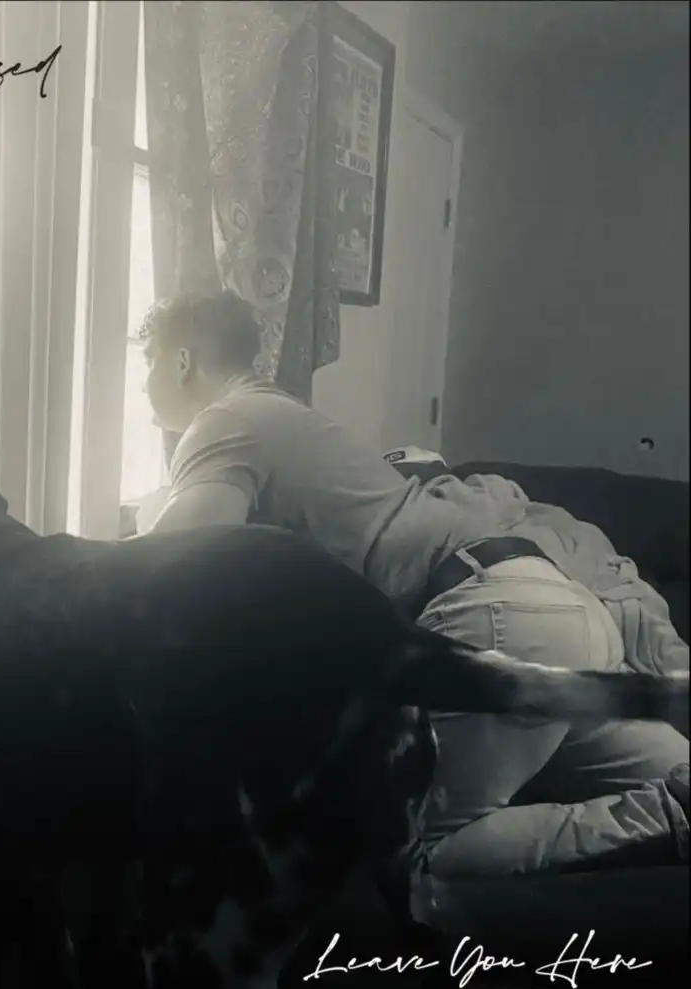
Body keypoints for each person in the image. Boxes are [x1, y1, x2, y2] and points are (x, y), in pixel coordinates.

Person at [137, 288, 689, 886]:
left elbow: (173, 567)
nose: (143, 387)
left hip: (499, 617)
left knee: (421, 855)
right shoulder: (287, 419)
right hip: (564, 608)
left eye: (147, 365)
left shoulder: (225, 420)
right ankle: (673, 809)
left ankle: (663, 818)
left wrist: (149, 513)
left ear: (181, 360)